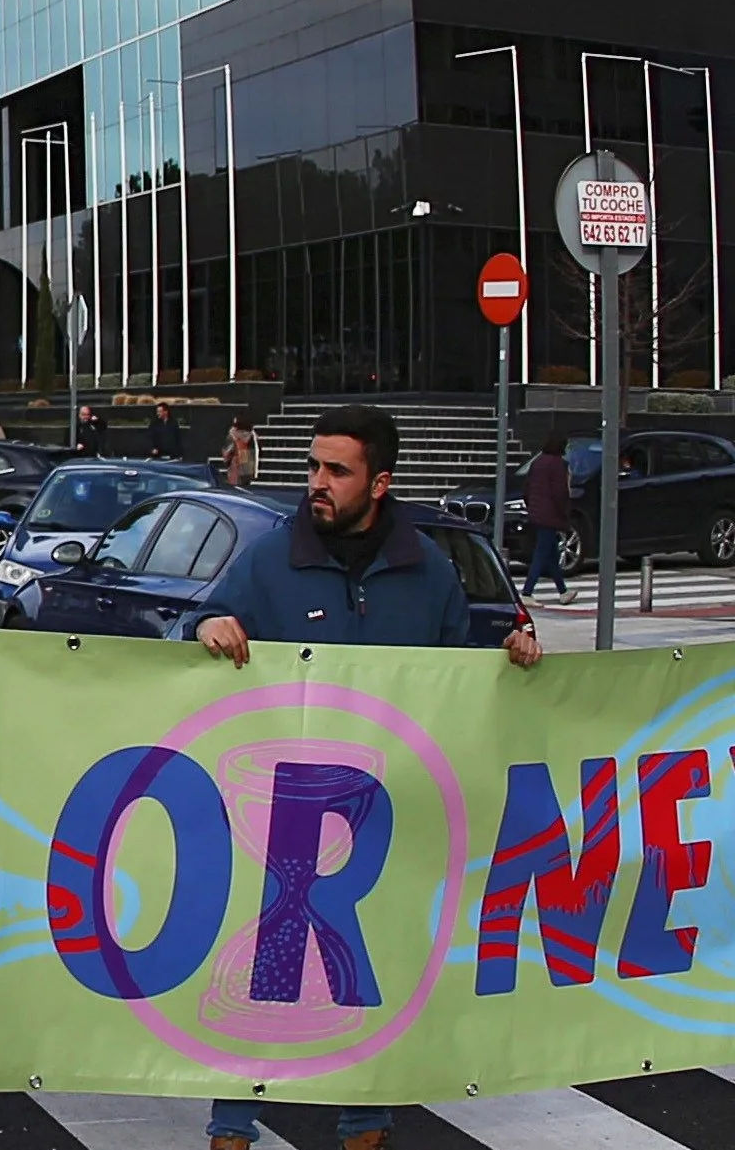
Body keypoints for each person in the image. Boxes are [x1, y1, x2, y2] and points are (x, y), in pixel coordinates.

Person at [193, 405, 539, 1150]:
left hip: (385, 815)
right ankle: (231, 1124)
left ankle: (365, 1121)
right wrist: (206, 628)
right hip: (284, 814)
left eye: (336, 470)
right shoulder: (268, 558)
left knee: (368, 964)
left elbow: (462, 674)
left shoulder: (428, 570)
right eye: (313, 466)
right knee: (264, 966)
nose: (316, 483)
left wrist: (509, 653)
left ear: (380, 482)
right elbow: (190, 645)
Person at [519, 426, 574, 602]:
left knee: (551, 555)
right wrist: (564, 516)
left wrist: (532, 507)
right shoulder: (559, 464)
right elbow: (560, 493)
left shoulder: (538, 462)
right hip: (550, 515)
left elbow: (527, 488)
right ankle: (527, 592)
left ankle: (563, 591)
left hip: (536, 513)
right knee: (542, 553)